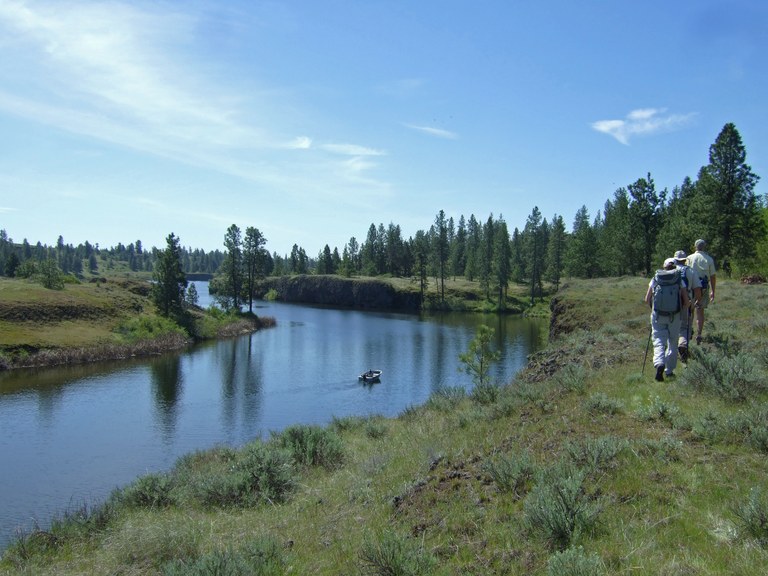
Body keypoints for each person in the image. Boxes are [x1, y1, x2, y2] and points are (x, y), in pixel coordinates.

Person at [644, 257, 690, 381]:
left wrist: (654, 309)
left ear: (664, 267)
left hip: (658, 315)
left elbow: (647, 299)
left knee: (658, 341)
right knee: (673, 342)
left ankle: (659, 363)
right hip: (675, 316)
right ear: (675, 267)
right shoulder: (679, 280)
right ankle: (669, 371)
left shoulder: (656, 278)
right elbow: (686, 301)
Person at [686, 239, 717, 345]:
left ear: (695, 246)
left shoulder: (689, 258)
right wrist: (713, 291)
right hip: (703, 287)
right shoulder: (708, 259)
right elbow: (712, 277)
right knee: (700, 310)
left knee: (690, 310)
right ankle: (699, 334)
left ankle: (689, 331)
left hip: (691, 287)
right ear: (704, 247)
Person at [673, 250, 701, 362]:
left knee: (672, 325)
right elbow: (697, 289)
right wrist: (696, 302)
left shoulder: (670, 271)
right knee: (685, 326)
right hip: (687, 301)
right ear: (685, 260)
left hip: (671, 303)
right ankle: (683, 345)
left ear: (675, 260)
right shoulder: (691, 271)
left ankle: (671, 349)